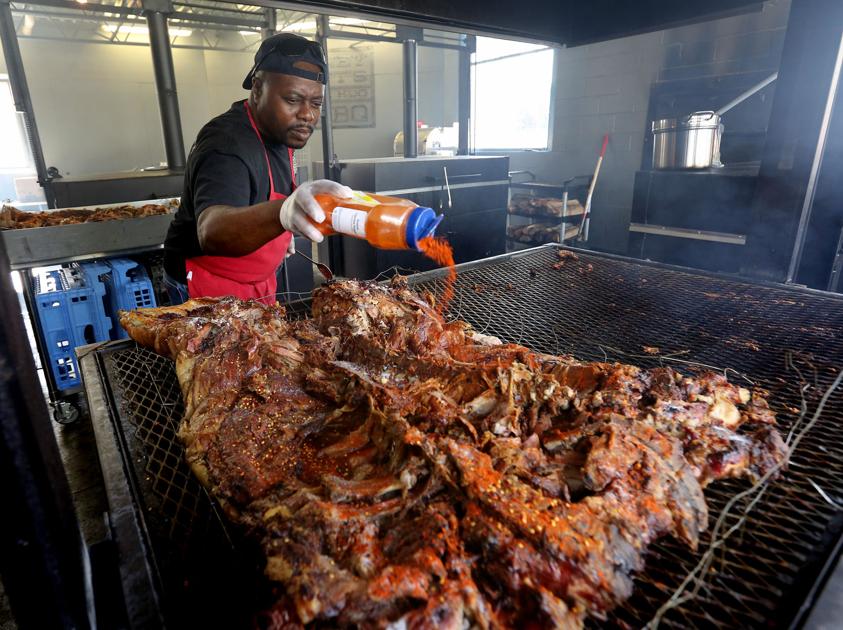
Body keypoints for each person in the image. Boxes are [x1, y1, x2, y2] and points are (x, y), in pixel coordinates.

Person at [163, 32, 351, 305]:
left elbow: (265, 191)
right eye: (293, 99)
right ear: (258, 87)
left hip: (258, 280)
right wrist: (281, 215)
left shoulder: (280, 130)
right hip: (208, 283)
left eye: (316, 104)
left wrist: (279, 233)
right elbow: (212, 231)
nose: (307, 114)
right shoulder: (227, 144)